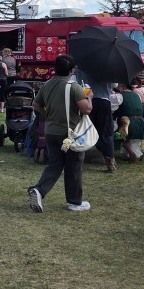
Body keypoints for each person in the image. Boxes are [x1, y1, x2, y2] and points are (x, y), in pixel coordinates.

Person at [27, 54, 92, 213]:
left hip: (51, 132)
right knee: (74, 166)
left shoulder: (47, 84)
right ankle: (74, 202)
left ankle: (39, 190)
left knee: (55, 164)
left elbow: (36, 104)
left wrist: (47, 114)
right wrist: (89, 97)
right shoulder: (74, 86)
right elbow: (86, 109)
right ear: (71, 70)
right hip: (70, 134)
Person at [115, 81, 144, 161]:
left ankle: (132, 153)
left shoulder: (119, 96)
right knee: (132, 140)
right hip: (141, 124)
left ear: (122, 85)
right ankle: (136, 153)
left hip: (129, 126)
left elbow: (113, 110)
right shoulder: (137, 95)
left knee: (116, 135)